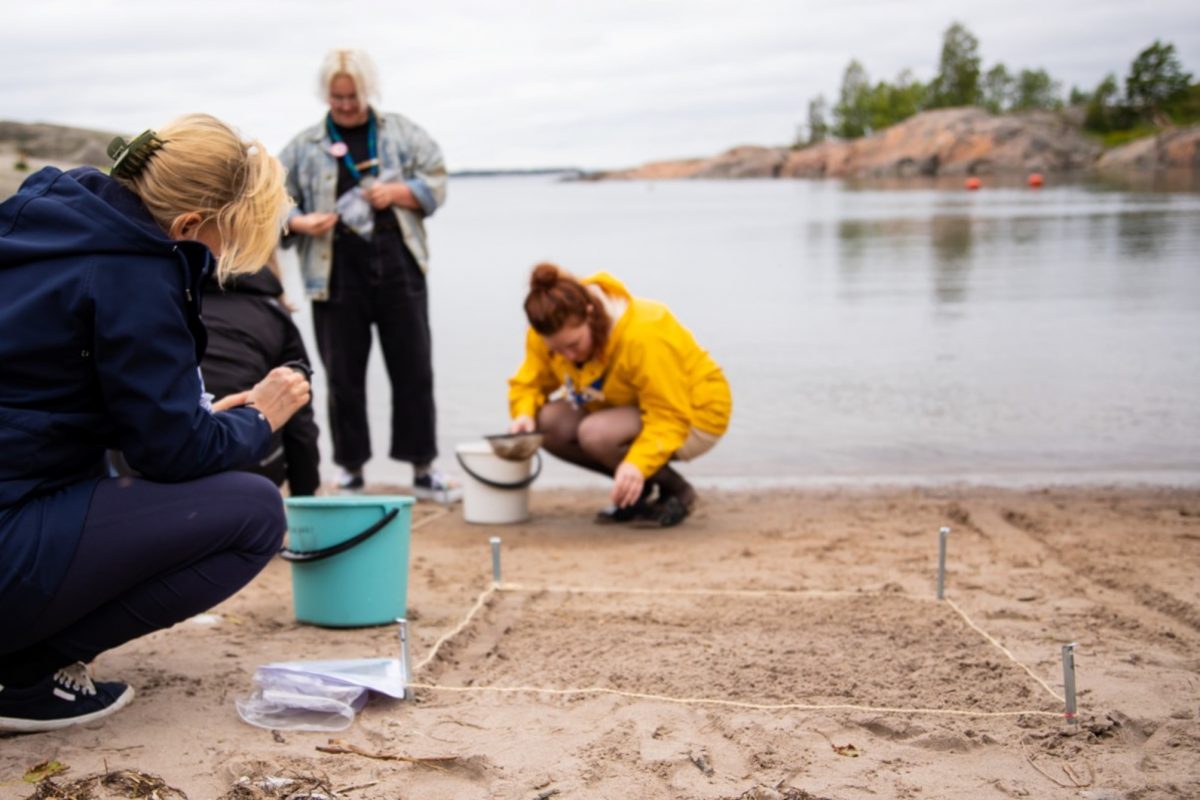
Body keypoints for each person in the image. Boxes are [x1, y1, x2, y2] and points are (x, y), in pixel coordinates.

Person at [0, 114, 308, 732]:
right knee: (254, 513)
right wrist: (261, 420)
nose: (220, 255)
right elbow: (173, 458)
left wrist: (191, 420)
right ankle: (27, 674)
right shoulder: (133, 269)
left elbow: (42, 388)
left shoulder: (48, 216)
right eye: (224, 238)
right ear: (189, 225)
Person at [279, 48, 455, 499]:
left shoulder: (401, 132)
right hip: (334, 271)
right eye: (336, 98)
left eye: (352, 96)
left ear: (367, 90)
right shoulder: (303, 145)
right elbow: (273, 203)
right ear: (326, 96)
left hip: (399, 265)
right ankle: (351, 470)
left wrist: (397, 191)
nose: (345, 105)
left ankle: (422, 468)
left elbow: (437, 179)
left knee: (414, 369)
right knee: (342, 376)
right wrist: (299, 223)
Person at [509, 264, 732, 527]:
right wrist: (523, 413)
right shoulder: (546, 334)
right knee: (545, 422)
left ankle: (677, 491)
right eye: (556, 350)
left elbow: (669, 414)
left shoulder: (644, 331)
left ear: (590, 314)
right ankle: (638, 493)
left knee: (595, 434)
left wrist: (637, 463)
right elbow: (530, 381)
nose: (567, 356)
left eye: (574, 345)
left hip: (695, 414)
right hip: (627, 408)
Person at [200, 256, 321, 496]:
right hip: (249, 468)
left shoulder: (170, 302)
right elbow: (299, 418)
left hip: (156, 463)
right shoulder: (274, 314)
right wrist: (305, 494)